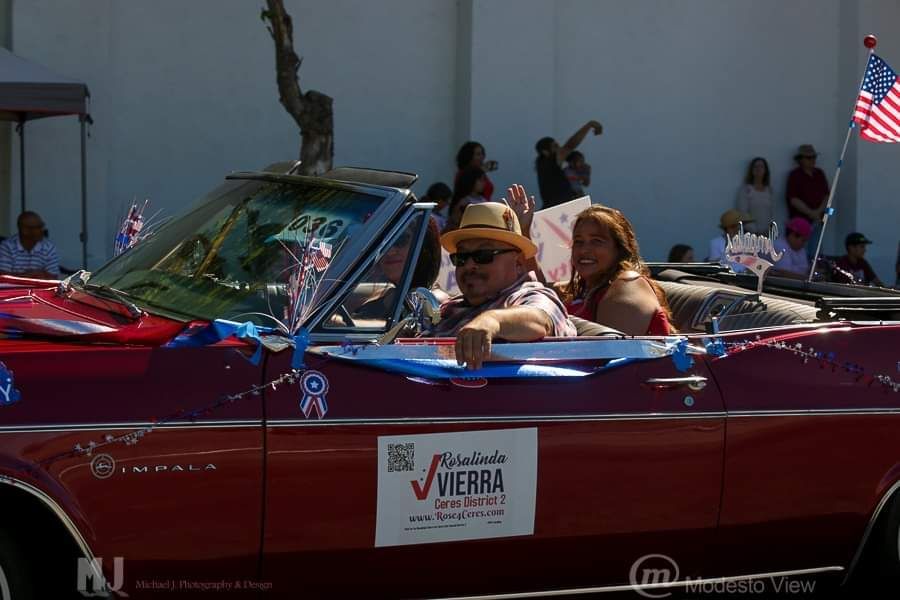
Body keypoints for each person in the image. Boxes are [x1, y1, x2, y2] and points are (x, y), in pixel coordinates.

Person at [507, 185, 673, 336]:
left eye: (597, 241)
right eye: (578, 242)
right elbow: (541, 289)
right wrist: (522, 232)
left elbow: (611, 355)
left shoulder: (628, 284)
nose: (584, 250)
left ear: (620, 248)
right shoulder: (585, 288)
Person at [434, 201, 576, 369]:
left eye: (484, 254)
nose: (469, 265)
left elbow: (541, 319)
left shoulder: (531, 295)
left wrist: (492, 321)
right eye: (461, 257)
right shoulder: (449, 308)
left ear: (518, 263)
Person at [535, 120, 602, 209]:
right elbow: (570, 145)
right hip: (561, 208)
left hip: (556, 208)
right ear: (545, 152)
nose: (559, 148)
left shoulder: (546, 166)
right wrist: (589, 125)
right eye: (555, 146)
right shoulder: (549, 161)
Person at [0, 211, 60, 279]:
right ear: (24, 229)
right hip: (13, 289)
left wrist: (20, 276)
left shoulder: (49, 247)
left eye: (42, 226)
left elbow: (53, 278)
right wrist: (33, 275)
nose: (42, 230)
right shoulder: (7, 246)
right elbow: (4, 277)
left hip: (39, 288)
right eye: (38, 227)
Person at [786, 144, 829, 227]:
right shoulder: (794, 175)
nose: (812, 160)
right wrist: (811, 213)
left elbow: (827, 195)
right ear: (801, 159)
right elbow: (793, 199)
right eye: (809, 158)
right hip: (800, 221)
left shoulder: (820, 173)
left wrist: (818, 212)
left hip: (819, 219)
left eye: (814, 157)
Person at [736, 157, 774, 234]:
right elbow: (743, 212)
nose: (758, 169)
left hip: (767, 234)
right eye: (756, 166)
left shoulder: (769, 190)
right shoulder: (745, 190)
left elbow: (773, 213)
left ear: (765, 170)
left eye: (761, 166)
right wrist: (754, 230)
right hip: (750, 234)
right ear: (751, 170)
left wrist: (770, 229)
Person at [445, 166, 488, 232]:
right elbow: (454, 221)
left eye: (484, 180)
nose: (483, 183)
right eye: (480, 180)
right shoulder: (464, 201)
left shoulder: (483, 200)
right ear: (471, 180)